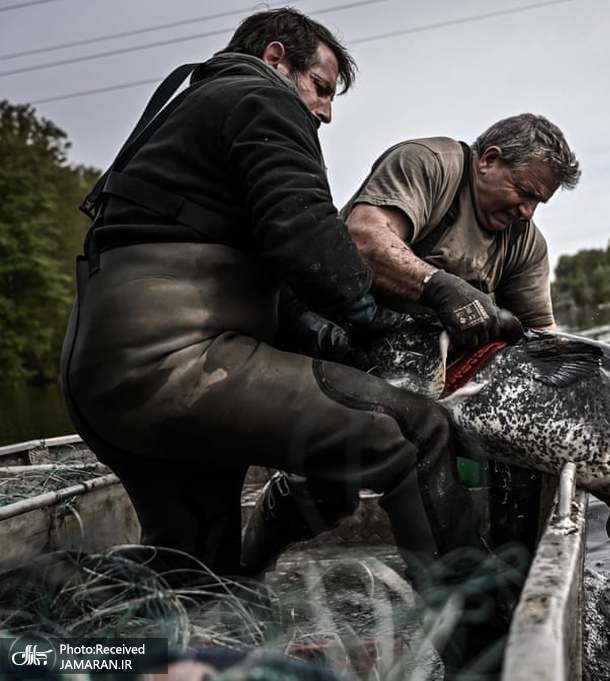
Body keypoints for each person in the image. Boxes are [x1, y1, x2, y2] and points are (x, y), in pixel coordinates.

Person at [58, 7, 478, 620]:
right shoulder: (261, 96)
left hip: (99, 379)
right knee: (416, 435)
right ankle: (488, 651)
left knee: (199, 569)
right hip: (175, 365)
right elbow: (310, 247)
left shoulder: (186, 112)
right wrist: (381, 316)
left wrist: (323, 335)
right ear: (278, 57)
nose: (325, 112)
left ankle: (86, 635)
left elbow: (234, 263)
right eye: (322, 88)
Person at [343, 114, 580, 340]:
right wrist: (438, 287)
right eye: (524, 193)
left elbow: (542, 336)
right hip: (335, 334)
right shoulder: (428, 164)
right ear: (489, 160)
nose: (528, 213)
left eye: (538, 202)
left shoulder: (526, 242)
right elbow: (363, 239)